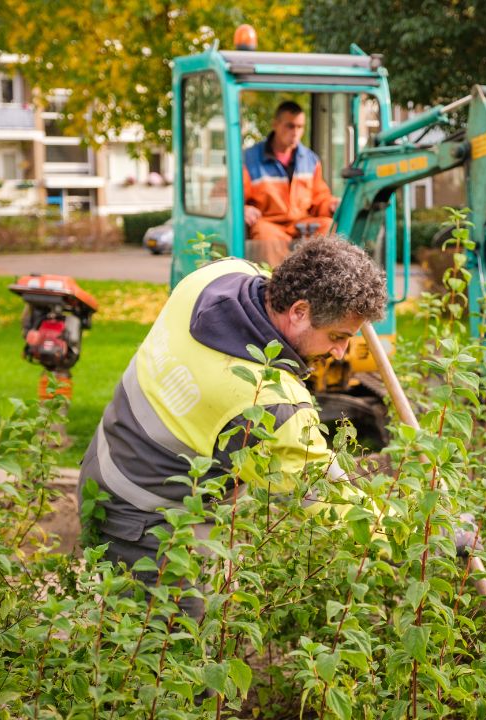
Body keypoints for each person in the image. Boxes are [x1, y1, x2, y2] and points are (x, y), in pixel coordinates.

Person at [79, 236, 386, 612]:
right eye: (337, 337)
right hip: (138, 519)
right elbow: (327, 499)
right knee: (165, 651)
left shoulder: (218, 275)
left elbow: (271, 275)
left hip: (106, 457)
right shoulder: (268, 400)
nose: (340, 352)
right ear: (299, 310)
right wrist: (426, 535)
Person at [242, 101, 340, 265]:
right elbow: (233, 197)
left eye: (300, 127)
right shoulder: (249, 159)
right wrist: (243, 209)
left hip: (301, 223)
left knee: (328, 225)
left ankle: (320, 284)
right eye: (290, 126)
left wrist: (331, 204)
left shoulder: (310, 160)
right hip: (270, 223)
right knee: (265, 235)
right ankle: (274, 286)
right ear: (275, 125)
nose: (295, 132)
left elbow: (319, 198)